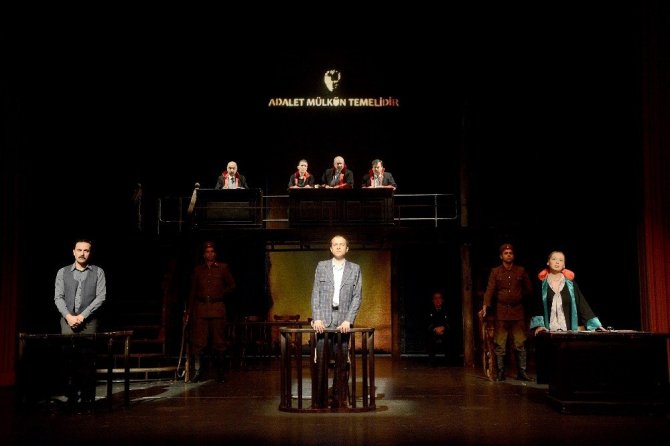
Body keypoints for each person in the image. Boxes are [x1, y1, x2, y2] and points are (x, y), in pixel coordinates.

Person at [53, 239, 107, 407]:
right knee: (68, 358)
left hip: (89, 322)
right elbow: (58, 297)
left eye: (86, 250)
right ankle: (71, 396)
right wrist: (68, 317)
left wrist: (83, 316)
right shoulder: (62, 272)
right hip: (67, 321)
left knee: (87, 359)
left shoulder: (98, 272)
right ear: (73, 252)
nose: (82, 253)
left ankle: (87, 397)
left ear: (90, 253)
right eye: (79, 250)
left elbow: (101, 297)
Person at [311, 235, 362, 408]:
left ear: (347, 248)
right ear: (331, 248)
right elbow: (316, 293)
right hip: (323, 321)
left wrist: (348, 320)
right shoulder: (322, 266)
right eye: (335, 244)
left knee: (341, 362)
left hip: (343, 322)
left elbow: (357, 297)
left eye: (342, 244)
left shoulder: (355, 269)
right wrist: (317, 317)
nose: (338, 247)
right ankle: (320, 400)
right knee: (321, 362)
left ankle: (339, 399)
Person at [480, 243, 533, 381]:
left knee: (520, 342)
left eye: (510, 253)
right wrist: (486, 305)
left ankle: (522, 372)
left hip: (517, 311)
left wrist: (519, 298)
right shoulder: (495, 272)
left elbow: (529, 289)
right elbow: (490, 289)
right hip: (502, 311)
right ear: (501, 256)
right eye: (506, 253)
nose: (508, 255)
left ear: (513, 255)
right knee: (500, 343)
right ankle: (501, 372)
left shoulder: (520, 271)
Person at [186, 241, 236, 383]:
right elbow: (193, 291)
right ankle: (198, 371)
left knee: (219, 342)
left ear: (215, 253)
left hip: (217, 308)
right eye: (207, 252)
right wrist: (189, 311)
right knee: (199, 342)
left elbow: (232, 285)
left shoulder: (223, 268)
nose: (210, 254)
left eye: (212, 251)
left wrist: (221, 293)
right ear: (203, 254)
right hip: (201, 309)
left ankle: (221, 372)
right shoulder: (198, 270)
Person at [530, 251, 606, 334]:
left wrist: (595, 325)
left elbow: (582, 304)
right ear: (548, 262)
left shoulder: (571, 285)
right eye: (554, 259)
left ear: (564, 265)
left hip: (568, 331)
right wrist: (539, 325)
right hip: (548, 331)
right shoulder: (542, 285)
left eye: (561, 260)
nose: (557, 262)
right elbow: (537, 306)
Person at [426, 291, 450, 366]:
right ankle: (432, 360)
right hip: (433, 332)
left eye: (439, 298)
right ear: (433, 300)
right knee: (429, 338)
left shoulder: (447, 310)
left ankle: (449, 360)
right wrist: (435, 329)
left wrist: (443, 327)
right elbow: (426, 323)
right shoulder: (429, 310)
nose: (437, 300)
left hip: (445, 331)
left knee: (450, 338)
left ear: (442, 300)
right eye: (435, 298)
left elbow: (450, 322)